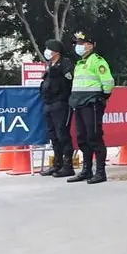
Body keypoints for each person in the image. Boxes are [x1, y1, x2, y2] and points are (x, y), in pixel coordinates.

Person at [66, 31, 115, 185]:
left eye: (81, 43)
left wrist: (102, 97)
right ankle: (86, 170)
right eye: (77, 44)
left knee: (94, 136)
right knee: (81, 137)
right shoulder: (79, 63)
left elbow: (108, 81)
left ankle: (100, 172)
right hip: (78, 103)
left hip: (92, 102)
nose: (78, 46)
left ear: (90, 45)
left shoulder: (97, 61)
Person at [38, 39, 75, 178]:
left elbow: (69, 79)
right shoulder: (49, 65)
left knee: (62, 134)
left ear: (56, 51)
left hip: (61, 103)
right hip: (48, 103)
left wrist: (56, 70)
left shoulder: (65, 64)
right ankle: (57, 164)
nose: (47, 51)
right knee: (53, 135)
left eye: (49, 49)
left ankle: (67, 165)